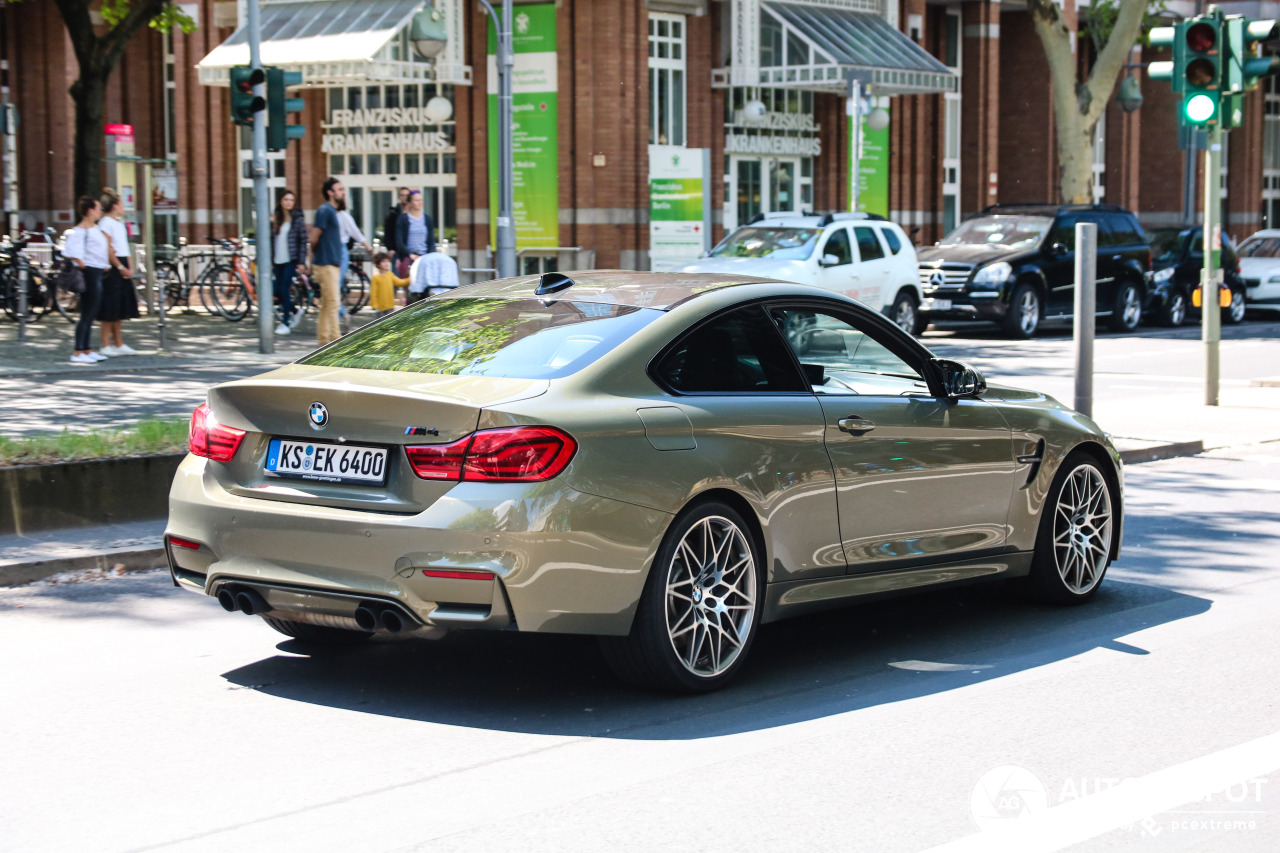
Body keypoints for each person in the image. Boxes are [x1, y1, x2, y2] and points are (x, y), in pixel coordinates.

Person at [62, 197, 111, 365]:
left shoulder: (96, 229)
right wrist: (89, 265)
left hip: (97, 271)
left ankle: (86, 349)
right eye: (97, 208)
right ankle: (77, 351)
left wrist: (102, 265)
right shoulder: (80, 231)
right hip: (89, 272)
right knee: (87, 313)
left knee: (91, 313)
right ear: (90, 211)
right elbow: (74, 255)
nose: (100, 211)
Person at [96, 189, 140, 356]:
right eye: (121, 204)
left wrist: (129, 266)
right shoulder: (105, 223)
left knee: (119, 307)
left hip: (121, 263)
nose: (123, 207)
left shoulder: (119, 223)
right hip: (113, 266)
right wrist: (120, 267)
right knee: (109, 307)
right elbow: (107, 248)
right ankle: (105, 344)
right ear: (114, 206)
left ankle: (119, 343)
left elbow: (124, 247)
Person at [309, 177, 345, 345]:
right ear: (330, 193)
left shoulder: (331, 211)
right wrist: (316, 258)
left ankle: (323, 342)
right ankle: (336, 342)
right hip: (326, 264)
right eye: (339, 189)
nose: (342, 192)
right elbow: (314, 236)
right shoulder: (326, 210)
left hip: (329, 263)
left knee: (325, 305)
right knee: (333, 304)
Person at [271, 188, 307, 335]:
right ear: (281, 201)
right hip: (277, 259)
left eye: (291, 200)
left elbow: (302, 241)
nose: (289, 203)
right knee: (277, 291)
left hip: (291, 259)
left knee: (285, 289)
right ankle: (296, 311)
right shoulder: (276, 218)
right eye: (286, 199)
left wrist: (301, 261)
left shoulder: (298, 219)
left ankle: (285, 323)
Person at [336, 199, 373, 332]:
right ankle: (340, 315)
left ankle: (340, 317)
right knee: (331, 288)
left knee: (334, 287)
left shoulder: (344, 216)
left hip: (340, 251)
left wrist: (368, 247)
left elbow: (356, 233)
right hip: (330, 251)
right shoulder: (328, 213)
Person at [395, 190, 435, 279]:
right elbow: (399, 242)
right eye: (416, 200)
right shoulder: (403, 219)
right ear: (409, 203)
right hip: (408, 259)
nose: (420, 202)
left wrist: (430, 255)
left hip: (425, 258)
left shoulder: (427, 219)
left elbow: (431, 241)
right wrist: (410, 255)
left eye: (421, 200)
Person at [368, 251, 409, 318]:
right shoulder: (376, 277)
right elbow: (373, 293)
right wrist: (374, 305)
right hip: (380, 308)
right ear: (378, 264)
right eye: (383, 261)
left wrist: (410, 279)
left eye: (387, 261)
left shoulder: (390, 275)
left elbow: (399, 282)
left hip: (390, 306)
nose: (386, 263)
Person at [382, 186, 409, 268]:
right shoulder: (393, 215)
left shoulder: (413, 214)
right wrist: (390, 248)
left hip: (411, 251)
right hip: (397, 252)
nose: (405, 197)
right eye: (402, 195)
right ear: (399, 197)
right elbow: (388, 233)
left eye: (407, 195)